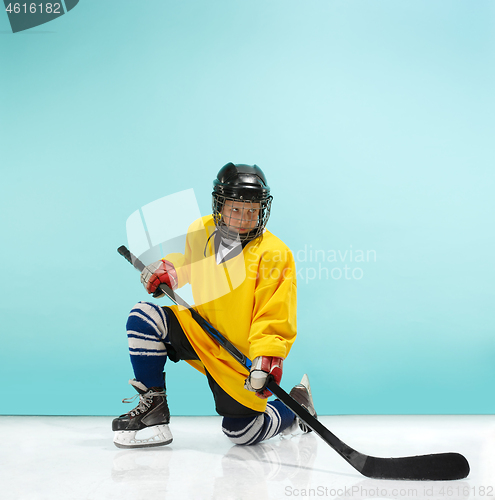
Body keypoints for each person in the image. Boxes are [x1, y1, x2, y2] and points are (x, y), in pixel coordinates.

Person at [112, 163, 317, 449]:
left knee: (241, 433)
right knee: (143, 318)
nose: (244, 218)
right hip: (199, 332)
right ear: (220, 206)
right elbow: (189, 262)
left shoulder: (275, 254)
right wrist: (170, 269)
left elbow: (274, 315)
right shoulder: (201, 229)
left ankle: (296, 407)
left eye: (252, 210)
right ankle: (153, 408)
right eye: (235, 209)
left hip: (236, 358)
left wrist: (267, 358)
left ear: (262, 210)